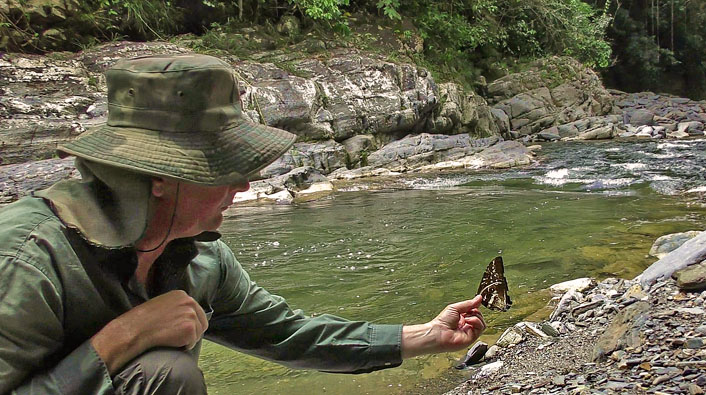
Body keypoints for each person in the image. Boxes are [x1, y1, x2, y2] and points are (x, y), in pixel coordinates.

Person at [0, 54, 486, 394]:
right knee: (165, 375)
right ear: (162, 178)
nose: (245, 188)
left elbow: (289, 335)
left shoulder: (200, 255)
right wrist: (119, 342)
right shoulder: (26, 260)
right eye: (227, 170)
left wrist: (425, 336)